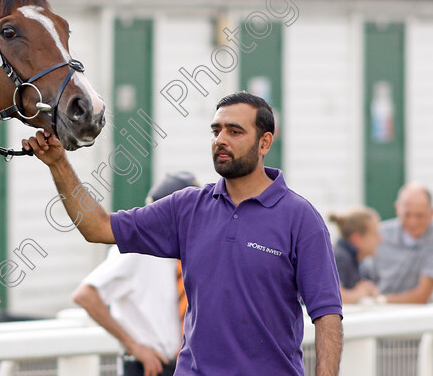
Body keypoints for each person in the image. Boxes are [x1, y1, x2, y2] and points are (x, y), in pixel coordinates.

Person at [23, 92, 343, 376]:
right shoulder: (187, 207)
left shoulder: (300, 218)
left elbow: (327, 314)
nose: (221, 139)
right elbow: (98, 227)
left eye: (235, 131)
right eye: (216, 130)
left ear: (265, 142)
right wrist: (58, 164)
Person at [73, 172, 198, 376]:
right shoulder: (135, 251)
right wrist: (134, 347)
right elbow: (86, 295)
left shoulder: (184, 252)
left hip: (181, 366)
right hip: (149, 366)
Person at [367, 182, 433, 304]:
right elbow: (364, 276)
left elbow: (423, 295)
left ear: (432, 213)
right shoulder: (380, 234)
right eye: (407, 214)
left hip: (413, 317)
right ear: (397, 209)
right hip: (375, 310)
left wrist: (383, 300)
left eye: (419, 215)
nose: (413, 222)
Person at [328, 207, 381, 304]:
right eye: (374, 234)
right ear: (357, 238)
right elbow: (331, 296)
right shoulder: (338, 258)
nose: (380, 239)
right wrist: (361, 292)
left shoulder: (359, 261)